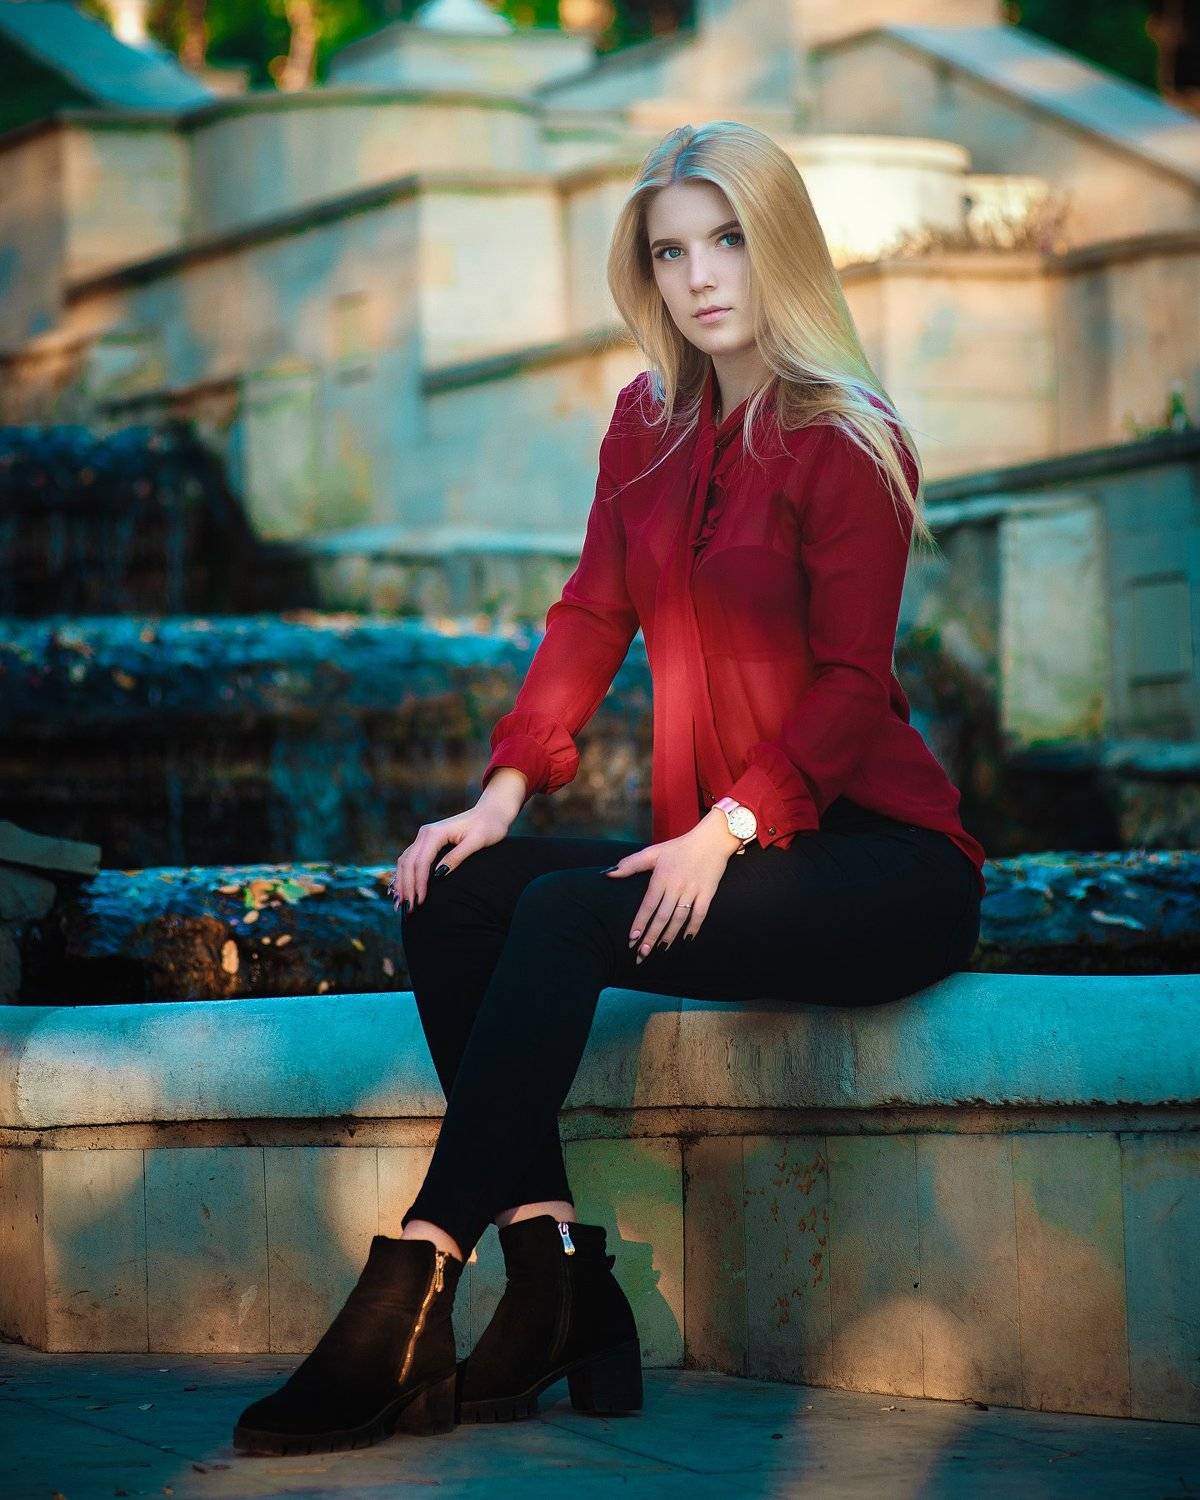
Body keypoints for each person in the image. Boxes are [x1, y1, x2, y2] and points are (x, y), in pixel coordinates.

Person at [232, 119, 987, 1458]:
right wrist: (501, 796)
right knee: (457, 888)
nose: (702, 277)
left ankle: (418, 1273)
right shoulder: (645, 426)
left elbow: (850, 684)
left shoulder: (850, 439)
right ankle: (556, 1277)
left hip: (884, 868)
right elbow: (590, 612)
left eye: (729, 240)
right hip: (736, 851)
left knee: (572, 913)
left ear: (780, 244)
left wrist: (728, 825)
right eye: (671, 252)